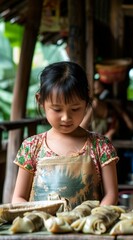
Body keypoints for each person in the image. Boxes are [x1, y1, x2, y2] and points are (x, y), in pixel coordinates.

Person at [12, 61, 119, 209]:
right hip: (41, 230)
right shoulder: (31, 147)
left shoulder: (100, 145)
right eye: (57, 109)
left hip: (88, 228)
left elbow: (111, 195)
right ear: (40, 101)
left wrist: (93, 220)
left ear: (86, 102)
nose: (66, 118)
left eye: (75, 109)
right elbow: (18, 197)